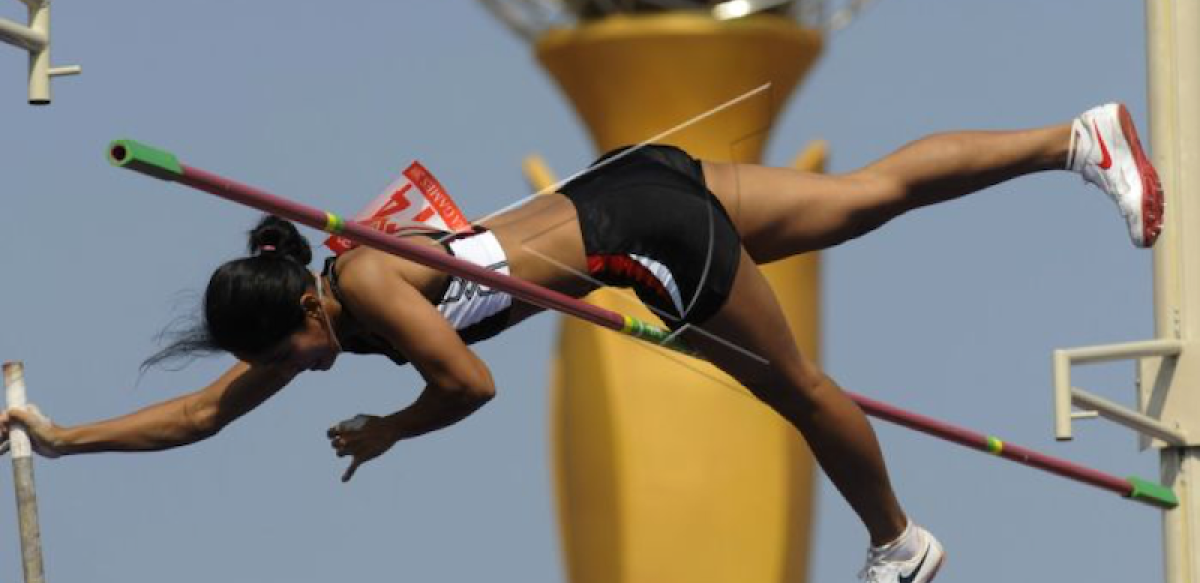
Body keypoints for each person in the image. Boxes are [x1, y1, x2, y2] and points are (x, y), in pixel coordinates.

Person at [0, 103, 1162, 583]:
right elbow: (200, 414)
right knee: (861, 198)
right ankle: (1076, 138)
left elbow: (472, 380)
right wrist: (61, 439)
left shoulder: (365, 285)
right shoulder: (328, 299)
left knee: (797, 388)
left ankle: (898, 543)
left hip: (639, 240)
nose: (284, 378)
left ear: (302, 316)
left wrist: (394, 428)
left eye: (286, 358)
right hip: (624, 191)